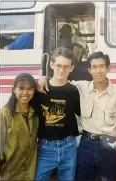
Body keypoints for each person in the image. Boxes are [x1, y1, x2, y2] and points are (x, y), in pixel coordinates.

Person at [38, 51, 116, 181]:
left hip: (109, 145)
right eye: (94, 67)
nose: (98, 70)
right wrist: (44, 77)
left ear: (108, 68)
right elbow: (60, 80)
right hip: (86, 144)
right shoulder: (80, 87)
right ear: (89, 70)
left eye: (102, 66)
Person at [34, 47, 80, 181]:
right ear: (51, 64)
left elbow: (80, 113)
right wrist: (42, 78)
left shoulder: (73, 91)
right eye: (59, 65)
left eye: (66, 67)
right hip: (45, 147)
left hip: (69, 146)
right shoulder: (40, 89)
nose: (62, 70)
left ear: (72, 68)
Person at [0, 73, 39, 180]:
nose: (25, 93)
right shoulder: (4, 113)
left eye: (30, 89)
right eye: (21, 88)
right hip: (9, 174)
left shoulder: (35, 114)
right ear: (14, 90)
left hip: (29, 174)